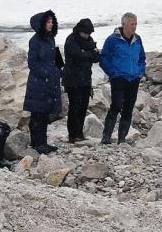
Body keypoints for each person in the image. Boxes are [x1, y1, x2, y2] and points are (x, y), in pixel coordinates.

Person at [99, 12, 145, 146]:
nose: (134, 26)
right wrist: (113, 73)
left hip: (133, 79)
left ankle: (122, 139)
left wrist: (140, 72)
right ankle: (106, 136)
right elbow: (104, 58)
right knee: (116, 105)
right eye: (132, 24)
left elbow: (142, 58)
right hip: (119, 78)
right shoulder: (112, 40)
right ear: (124, 24)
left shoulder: (138, 39)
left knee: (128, 108)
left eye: (136, 24)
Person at [23, 10, 63, 154]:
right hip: (38, 83)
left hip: (50, 81)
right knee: (37, 114)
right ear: (42, 24)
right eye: (48, 22)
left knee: (45, 113)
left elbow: (55, 57)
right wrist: (46, 74)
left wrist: (59, 71)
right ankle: (36, 143)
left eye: (52, 22)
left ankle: (43, 142)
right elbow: (32, 63)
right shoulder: (35, 40)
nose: (51, 24)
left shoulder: (50, 38)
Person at [61, 17, 99, 143]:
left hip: (85, 79)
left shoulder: (89, 40)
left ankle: (79, 133)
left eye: (89, 34)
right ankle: (72, 134)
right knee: (75, 106)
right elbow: (78, 56)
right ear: (80, 30)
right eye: (85, 33)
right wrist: (88, 53)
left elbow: (95, 57)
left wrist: (87, 53)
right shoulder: (71, 40)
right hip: (72, 80)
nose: (87, 36)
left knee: (83, 107)